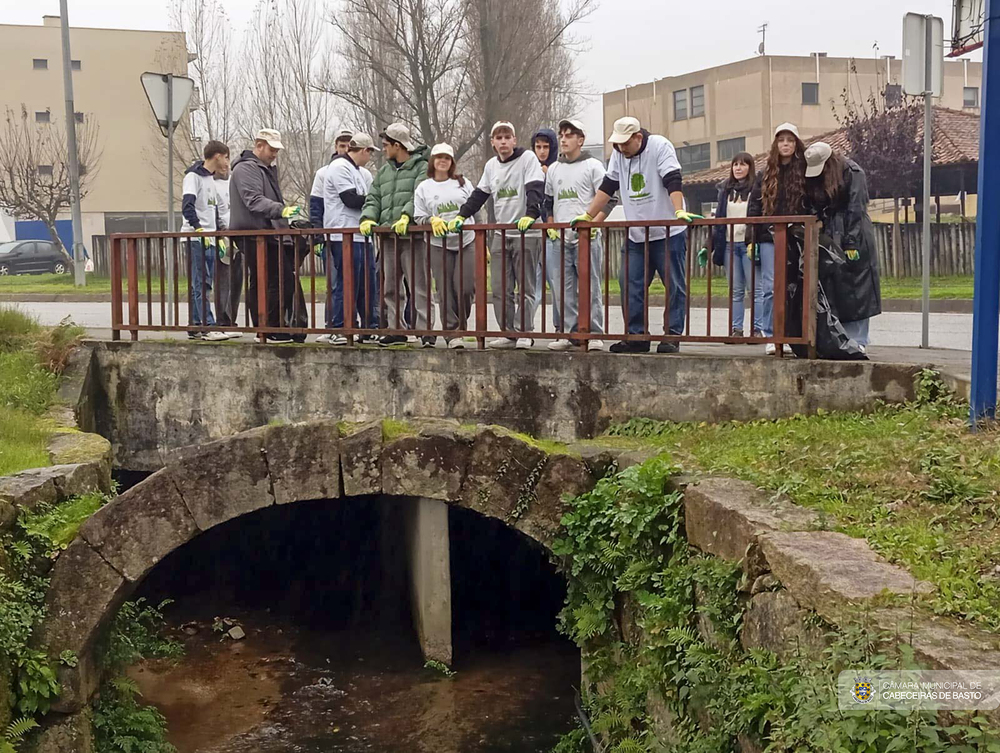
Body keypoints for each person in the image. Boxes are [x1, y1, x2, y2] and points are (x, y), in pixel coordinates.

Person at [573, 116, 699, 354]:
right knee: (629, 283)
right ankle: (637, 335)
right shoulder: (619, 155)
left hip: (668, 231)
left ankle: (672, 335)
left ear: (638, 137)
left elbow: (673, 179)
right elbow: (608, 186)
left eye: (625, 143)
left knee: (674, 285)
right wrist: (588, 216)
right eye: (617, 144)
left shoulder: (660, 146)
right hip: (637, 234)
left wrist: (679, 209)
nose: (621, 148)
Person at [450, 121, 545, 350]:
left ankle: (524, 331)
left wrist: (531, 214)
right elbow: (480, 195)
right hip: (501, 233)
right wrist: (462, 216)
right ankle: (508, 332)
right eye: (498, 138)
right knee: (500, 287)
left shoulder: (528, 159)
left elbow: (535, 188)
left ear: (514, 140)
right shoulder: (491, 165)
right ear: (493, 142)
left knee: (526, 286)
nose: (503, 141)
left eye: (507, 137)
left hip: (526, 232)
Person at [804, 141, 881, 353]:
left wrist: (851, 241)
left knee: (858, 288)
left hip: (852, 231)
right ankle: (839, 337)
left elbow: (856, 208)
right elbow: (814, 204)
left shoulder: (853, 172)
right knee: (835, 288)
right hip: (829, 233)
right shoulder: (816, 176)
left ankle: (859, 339)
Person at [360, 123, 431, 347]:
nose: (383, 149)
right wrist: (368, 217)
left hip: (412, 236)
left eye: (385, 145)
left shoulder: (421, 168)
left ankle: (426, 329)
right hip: (389, 236)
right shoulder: (384, 171)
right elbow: (374, 197)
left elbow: (419, 194)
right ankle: (395, 328)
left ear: (397, 145)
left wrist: (406, 216)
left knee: (418, 284)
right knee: (390, 285)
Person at [229, 128, 304, 342]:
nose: (274, 154)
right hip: (255, 233)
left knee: (270, 280)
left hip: (264, 232)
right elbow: (253, 200)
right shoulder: (247, 168)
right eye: (271, 149)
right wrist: (280, 210)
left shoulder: (262, 168)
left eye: (276, 151)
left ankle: (268, 327)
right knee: (273, 280)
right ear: (259, 145)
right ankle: (269, 328)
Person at [543, 119, 609, 352]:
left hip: (586, 238)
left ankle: (593, 332)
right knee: (562, 287)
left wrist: (594, 225)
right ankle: (568, 332)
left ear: (580, 140)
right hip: (559, 238)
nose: (563, 139)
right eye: (561, 135)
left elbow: (609, 200)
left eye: (569, 135)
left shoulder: (593, 166)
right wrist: (551, 226)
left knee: (590, 285)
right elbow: (548, 202)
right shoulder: (553, 169)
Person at [749, 123, 807, 355]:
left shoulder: (804, 171)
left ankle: (792, 335)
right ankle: (770, 335)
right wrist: (751, 239)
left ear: (796, 144)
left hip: (795, 237)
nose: (786, 144)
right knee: (770, 287)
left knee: (793, 285)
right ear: (776, 144)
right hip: (768, 237)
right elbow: (754, 206)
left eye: (790, 140)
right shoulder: (764, 174)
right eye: (781, 140)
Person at [414, 143, 475, 349]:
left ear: (452, 162)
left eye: (447, 158)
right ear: (432, 161)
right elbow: (418, 216)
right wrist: (431, 221)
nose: (443, 161)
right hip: (438, 244)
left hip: (466, 240)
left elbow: (475, 208)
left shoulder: (463, 183)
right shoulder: (424, 187)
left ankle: (462, 323)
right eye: (439, 157)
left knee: (465, 286)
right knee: (445, 289)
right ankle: (452, 332)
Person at [323, 133, 380, 345]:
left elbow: (369, 198)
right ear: (365, 151)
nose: (370, 157)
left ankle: (368, 326)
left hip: (361, 233)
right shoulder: (339, 167)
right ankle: (340, 326)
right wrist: (375, 203)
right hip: (342, 233)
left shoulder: (361, 172)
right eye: (370, 153)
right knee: (347, 281)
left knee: (367, 282)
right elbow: (350, 199)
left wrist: (374, 203)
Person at [181, 139, 231, 341]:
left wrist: (217, 233)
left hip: (209, 237)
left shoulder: (210, 179)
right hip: (197, 238)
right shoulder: (193, 177)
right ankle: (207, 325)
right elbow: (188, 206)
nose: (228, 162)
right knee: (202, 283)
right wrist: (198, 228)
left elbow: (215, 209)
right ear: (217, 156)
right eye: (226, 157)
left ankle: (195, 325)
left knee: (203, 281)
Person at [711, 151, 760, 338]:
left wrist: (754, 241)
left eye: (743, 164)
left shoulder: (756, 189)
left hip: (748, 244)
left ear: (750, 167)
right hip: (729, 245)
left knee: (755, 290)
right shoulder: (725, 190)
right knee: (736, 290)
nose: (738, 168)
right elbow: (719, 219)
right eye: (735, 164)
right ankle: (736, 330)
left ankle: (757, 330)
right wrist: (710, 246)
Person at [529, 127, 558, 323]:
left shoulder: (559, 168)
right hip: (533, 234)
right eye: (538, 147)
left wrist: (549, 175)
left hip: (553, 234)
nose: (542, 151)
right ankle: (525, 327)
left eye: (546, 147)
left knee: (558, 284)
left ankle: (561, 328)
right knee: (532, 285)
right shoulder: (528, 168)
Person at [212, 161, 243, 337]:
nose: (224, 165)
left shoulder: (234, 182)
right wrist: (221, 233)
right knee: (223, 280)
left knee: (237, 280)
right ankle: (221, 320)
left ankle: (231, 319)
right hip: (223, 236)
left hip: (239, 234)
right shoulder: (211, 185)